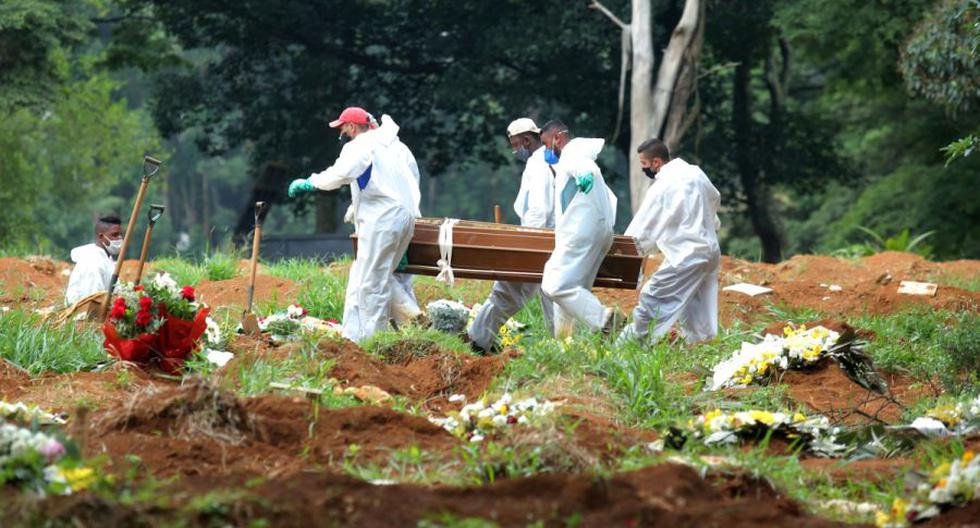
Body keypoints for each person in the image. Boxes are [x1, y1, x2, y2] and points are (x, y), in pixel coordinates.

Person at [288, 107, 421, 342]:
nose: (341, 132)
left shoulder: (359, 145)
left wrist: (312, 182)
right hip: (404, 217)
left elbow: (341, 173)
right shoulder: (393, 146)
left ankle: (374, 342)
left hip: (382, 220)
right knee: (369, 277)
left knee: (372, 283)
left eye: (342, 127)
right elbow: (403, 182)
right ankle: (368, 336)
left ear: (351, 127)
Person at [618, 138, 721, 344]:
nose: (643, 169)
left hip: (687, 254)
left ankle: (631, 343)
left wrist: (625, 250)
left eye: (644, 164)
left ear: (656, 163)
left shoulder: (663, 185)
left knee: (653, 296)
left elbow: (645, 225)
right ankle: (700, 344)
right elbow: (714, 197)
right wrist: (710, 223)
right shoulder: (695, 172)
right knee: (698, 304)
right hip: (710, 249)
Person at [468, 117, 556, 353]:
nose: (515, 150)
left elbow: (538, 209)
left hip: (538, 241)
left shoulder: (538, 166)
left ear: (527, 140)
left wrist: (527, 243)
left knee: (507, 292)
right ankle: (562, 347)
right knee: (543, 294)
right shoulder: (548, 162)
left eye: (516, 145)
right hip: (547, 241)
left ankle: (478, 340)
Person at [538, 120, 619, 337]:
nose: (547, 151)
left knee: (554, 284)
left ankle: (604, 319)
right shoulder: (575, 155)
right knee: (573, 289)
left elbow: (585, 169)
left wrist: (585, 175)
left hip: (579, 233)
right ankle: (565, 342)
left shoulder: (572, 153)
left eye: (547, 144)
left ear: (558, 138)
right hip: (595, 232)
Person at [65, 215, 123, 306]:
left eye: (121, 234)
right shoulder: (93, 262)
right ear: (101, 236)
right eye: (115, 235)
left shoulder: (107, 258)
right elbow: (92, 301)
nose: (120, 238)